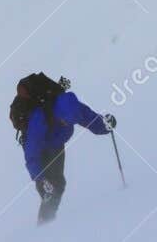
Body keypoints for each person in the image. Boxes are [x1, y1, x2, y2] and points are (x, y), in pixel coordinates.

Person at [9, 73, 115, 224]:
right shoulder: (39, 119)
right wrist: (40, 178)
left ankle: (49, 222)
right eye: (65, 121)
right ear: (58, 116)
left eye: (69, 121)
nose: (67, 123)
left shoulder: (71, 107)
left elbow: (87, 117)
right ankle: (44, 226)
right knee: (50, 189)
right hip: (41, 149)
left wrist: (104, 126)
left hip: (56, 144)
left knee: (59, 183)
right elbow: (31, 153)